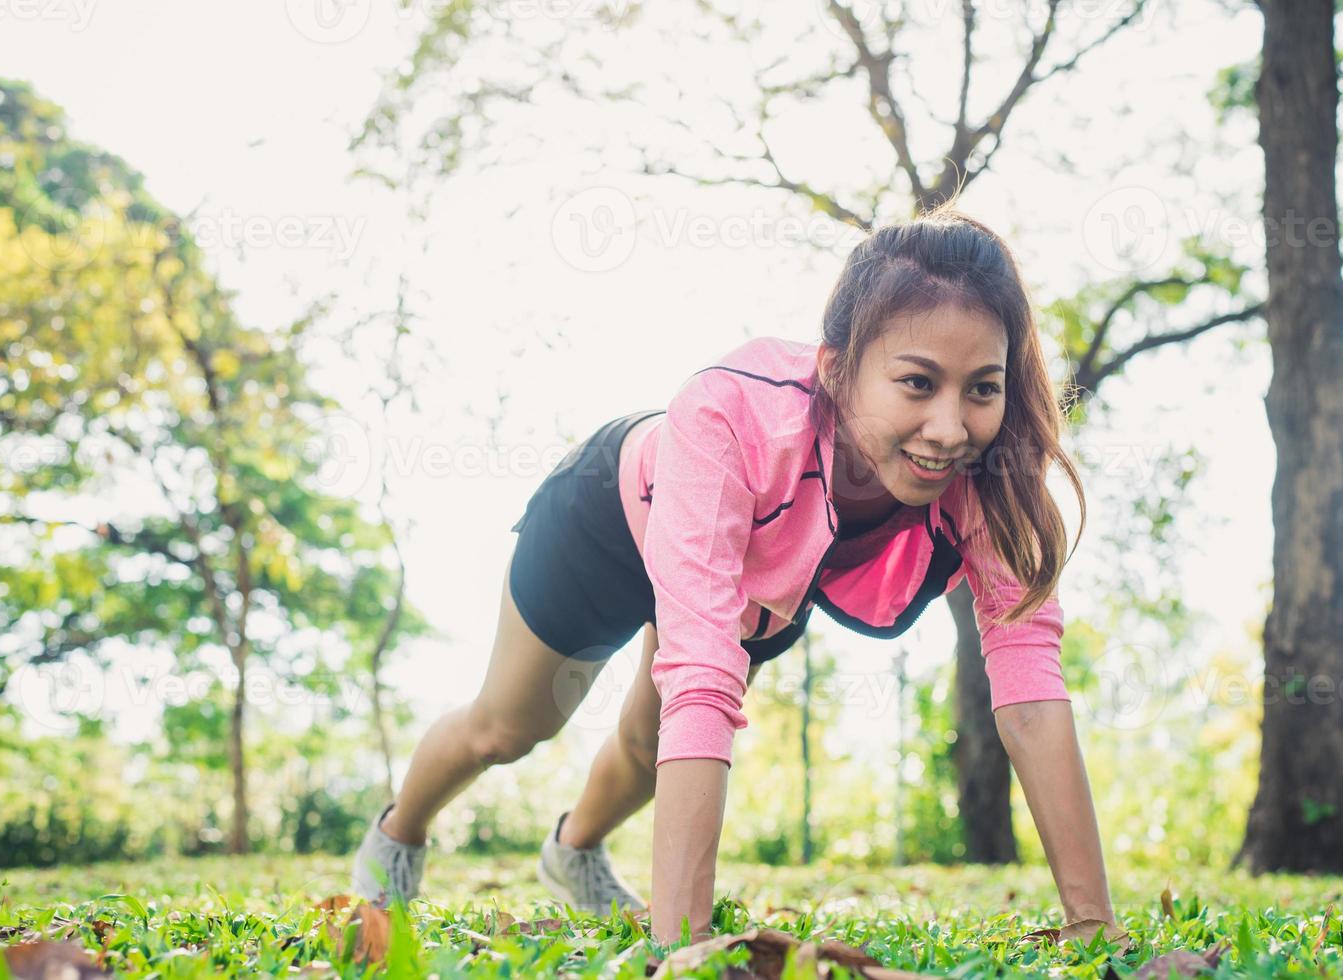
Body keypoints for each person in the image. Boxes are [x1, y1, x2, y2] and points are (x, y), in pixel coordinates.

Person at [351, 209, 1121, 946]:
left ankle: (574, 851)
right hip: (609, 523)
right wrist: (683, 946)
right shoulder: (732, 412)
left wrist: (1093, 930)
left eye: (981, 388)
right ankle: (399, 834)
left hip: (765, 578)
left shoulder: (990, 475)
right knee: (507, 727)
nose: (951, 428)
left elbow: (1030, 694)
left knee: (645, 746)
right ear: (837, 369)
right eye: (917, 383)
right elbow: (701, 674)